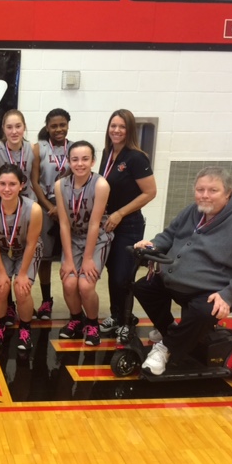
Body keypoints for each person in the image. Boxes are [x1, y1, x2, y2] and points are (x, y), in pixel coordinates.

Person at [133, 166, 232, 375]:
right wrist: (151, 245)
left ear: (228, 193)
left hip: (214, 289)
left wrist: (228, 295)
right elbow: (169, 235)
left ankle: (167, 348)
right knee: (144, 287)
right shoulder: (194, 210)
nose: (205, 195)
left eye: (213, 190)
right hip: (177, 280)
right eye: (200, 190)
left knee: (204, 311)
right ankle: (172, 333)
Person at [97, 109, 156, 340]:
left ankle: (127, 320)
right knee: (113, 273)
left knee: (124, 275)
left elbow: (150, 192)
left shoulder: (136, 157)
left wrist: (120, 213)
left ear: (129, 129)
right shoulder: (107, 153)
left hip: (128, 223)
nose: (117, 130)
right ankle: (115, 314)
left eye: (122, 126)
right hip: (109, 223)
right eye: (113, 125)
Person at [54, 141, 112, 346]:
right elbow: (63, 223)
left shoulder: (101, 184)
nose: (80, 163)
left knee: (86, 285)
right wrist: (68, 259)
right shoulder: (60, 185)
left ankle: (93, 323)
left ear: (93, 161)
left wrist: (87, 259)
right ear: (68, 161)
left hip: (96, 240)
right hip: (73, 239)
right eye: (75, 159)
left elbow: (95, 224)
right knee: (69, 282)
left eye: (85, 159)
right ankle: (76, 320)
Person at [0, 164, 42, 351]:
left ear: (21, 185)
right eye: (2, 184)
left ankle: (25, 329)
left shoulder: (34, 209)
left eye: (12, 184)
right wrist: (1, 272)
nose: (7, 189)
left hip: (27, 251)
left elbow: (32, 243)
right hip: (2, 250)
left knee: (21, 289)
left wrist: (22, 273)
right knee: (1, 288)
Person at [30, 108, 72, 321]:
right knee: (45, 258)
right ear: (47, 127)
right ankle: (46, 301)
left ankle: (75, 305)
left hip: (69, 209)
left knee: (71, 256)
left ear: (68, 125)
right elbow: (34, 181)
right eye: (54, 125)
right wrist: (48, 206)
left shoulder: (74, 148)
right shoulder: (39, 148)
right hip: (46, 207)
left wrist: (62, 208)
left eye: (62, 124)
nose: (58, 129)